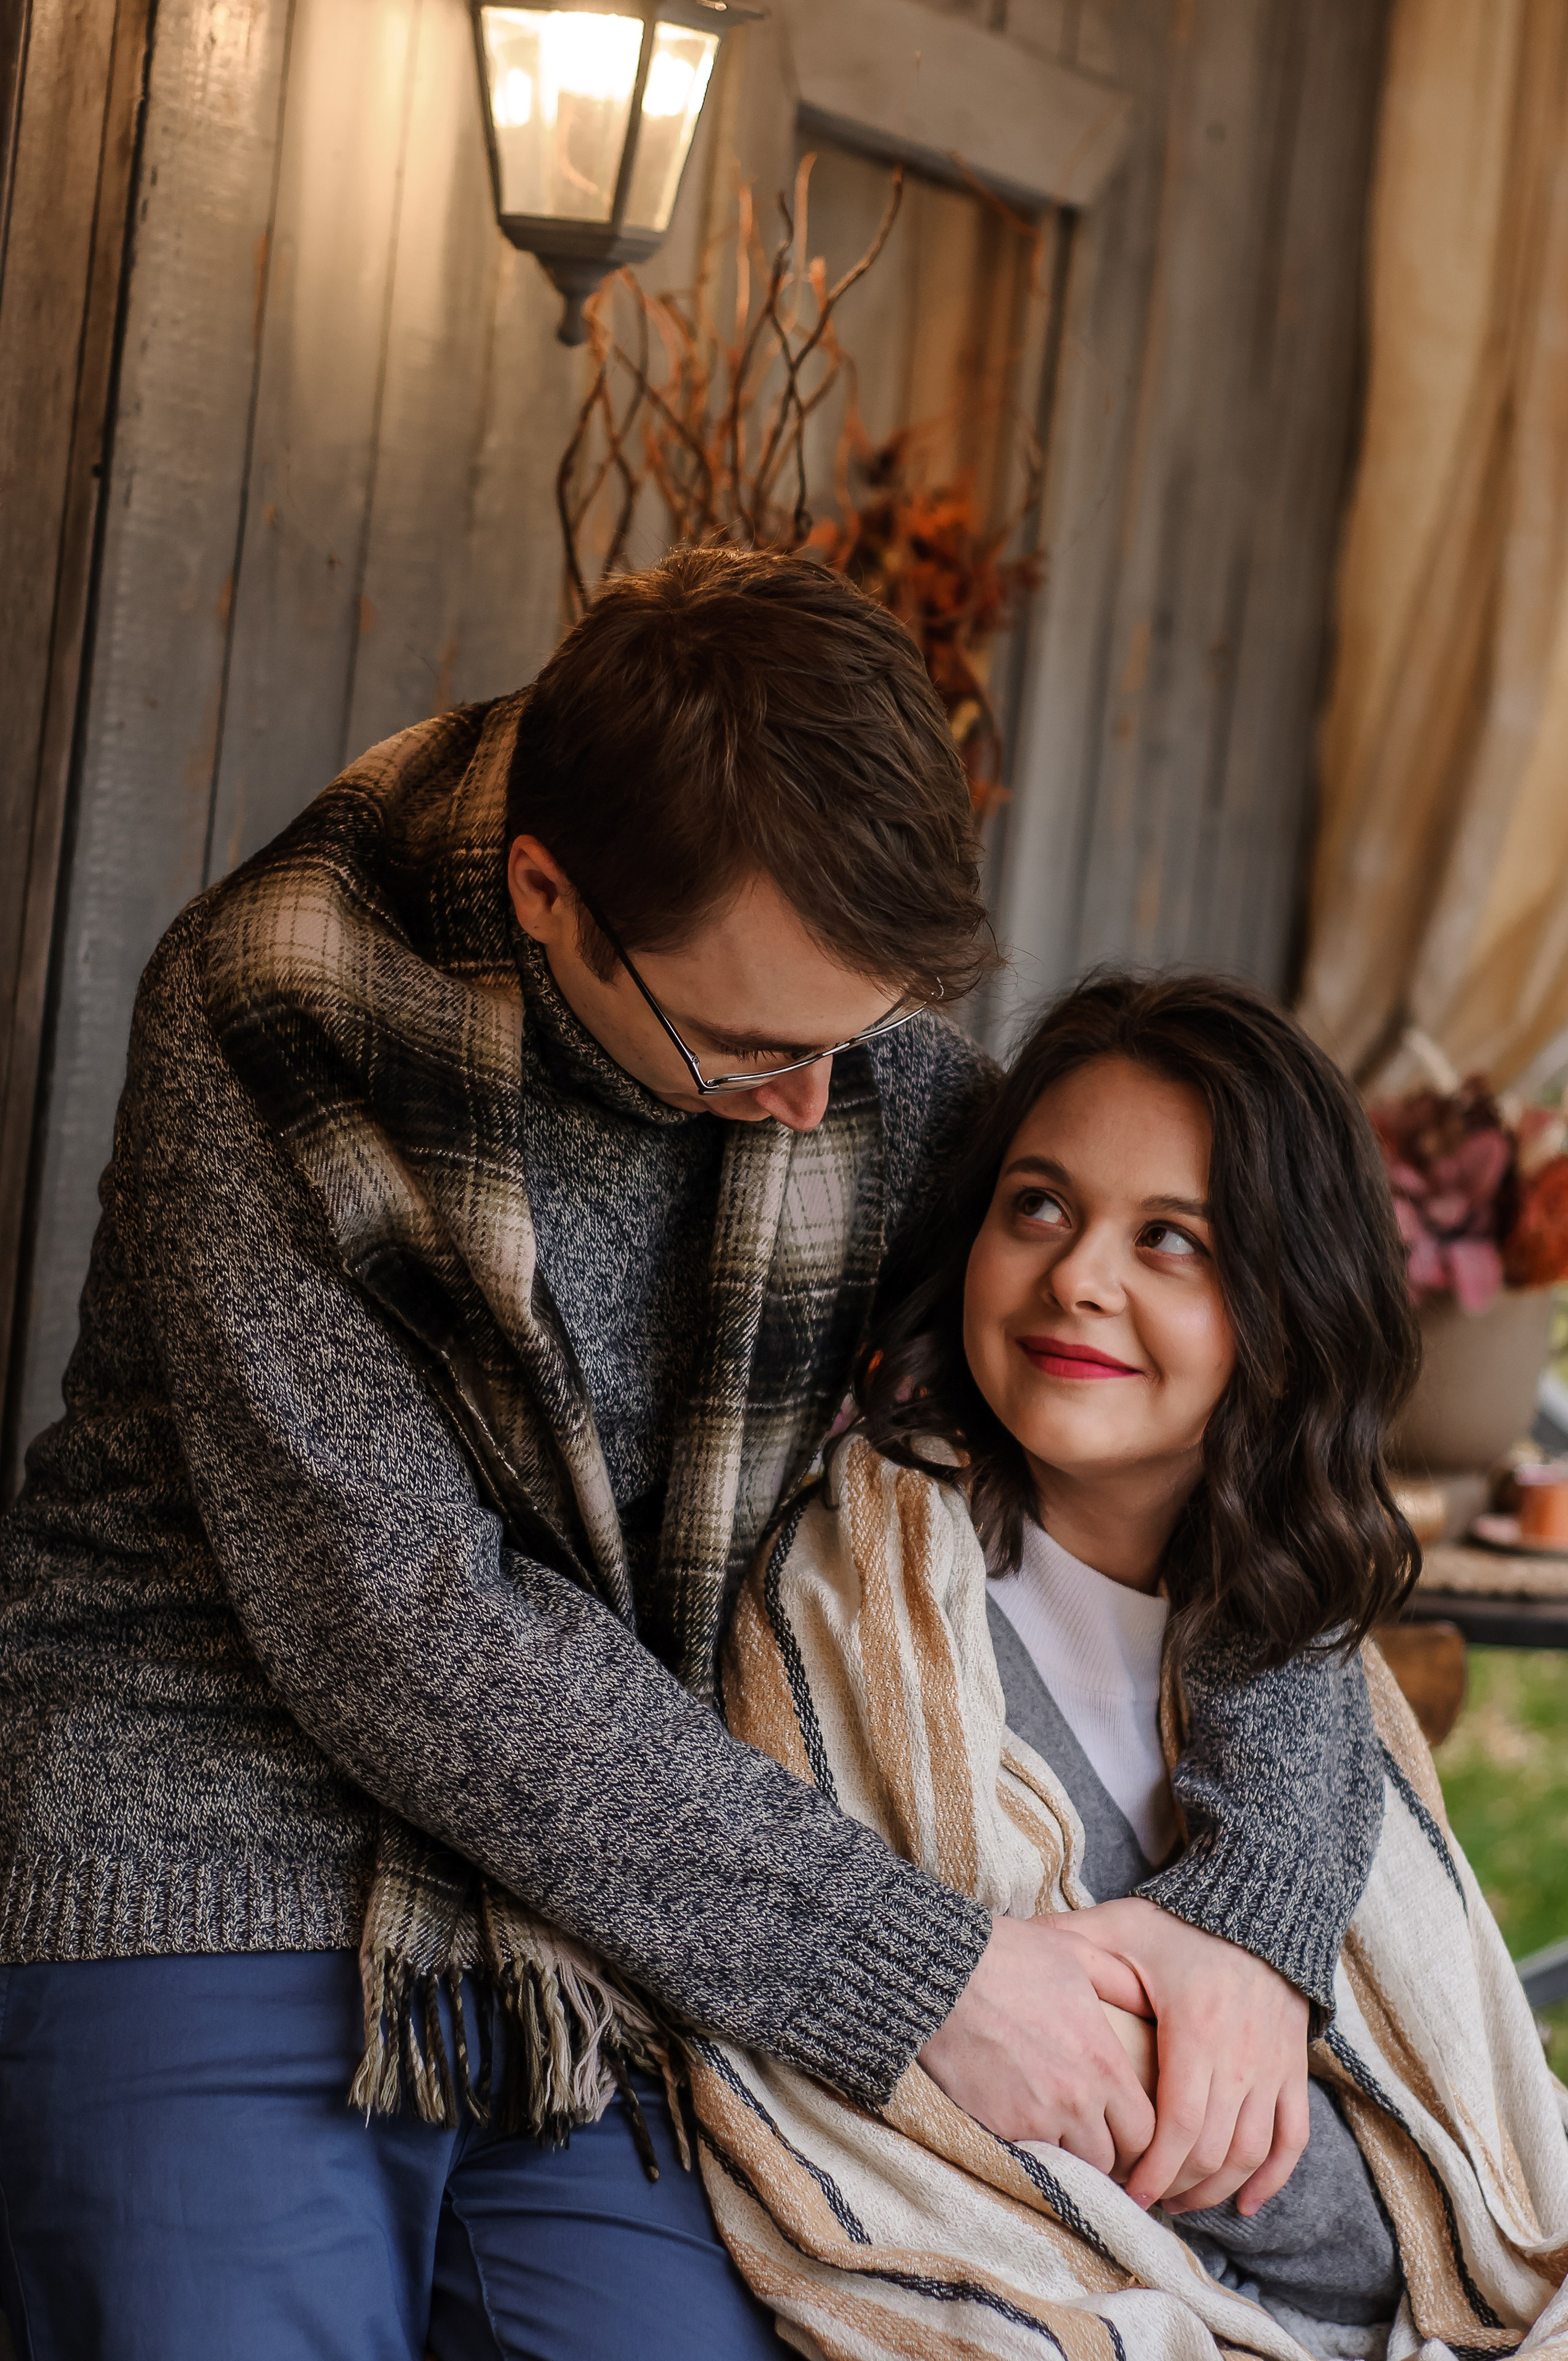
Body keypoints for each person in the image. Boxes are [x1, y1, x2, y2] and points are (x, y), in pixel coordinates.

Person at [1, 555, 1384, 2359]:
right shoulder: (278, 1015)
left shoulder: (844, 1051)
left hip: (615, 1911)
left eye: (854, 1039)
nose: (818, 1110)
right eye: (747, 1054)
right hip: (213, 1829)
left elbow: (1235, 1466)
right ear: (547, 895)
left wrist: (1252, 1927)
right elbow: (406, 1629)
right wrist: (923, 1978)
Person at [699, 971, 1567, 2359]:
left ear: (1288, 1309)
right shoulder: (859, 1603)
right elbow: (1048, 2121)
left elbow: (1440, 2153)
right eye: (1036, 1203)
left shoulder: (1293, 1646)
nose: (1078, 1276)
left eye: (1171, 1238)